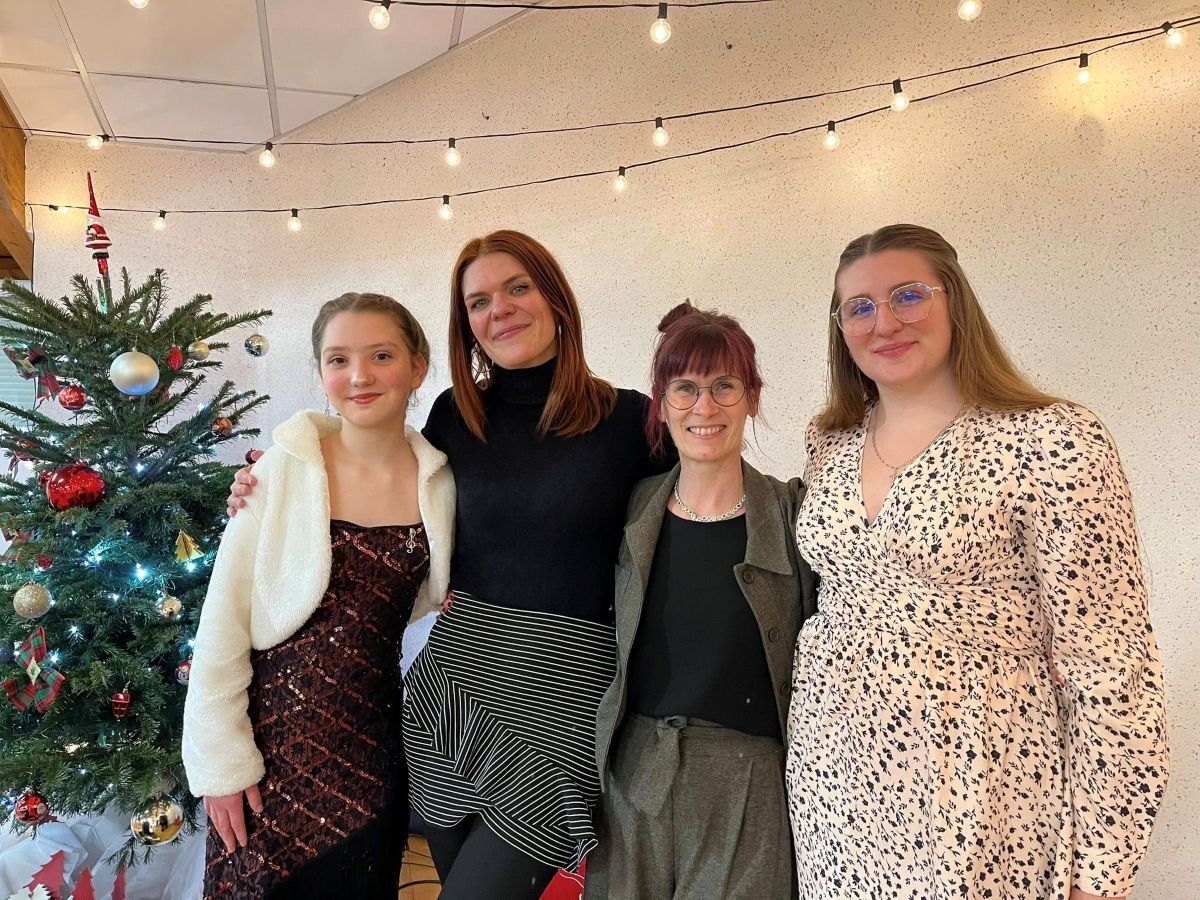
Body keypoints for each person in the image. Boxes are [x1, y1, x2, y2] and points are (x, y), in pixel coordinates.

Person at [228, 231, 671, 899]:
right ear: (465, 324)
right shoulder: (455, 416)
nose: (500, 310)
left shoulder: (630, 419)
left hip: (564, 692)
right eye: (478, 301)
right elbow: (372, 480)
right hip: (452, 687)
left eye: (518, 288)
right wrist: (276, 481)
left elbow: (703, 509)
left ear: (556, 299)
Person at [785, 224, 1169, 900]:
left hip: (984, 789)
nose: (885, 323)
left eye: (909, 295)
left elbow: (1112, 667)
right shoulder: (830, 442)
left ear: (955, 301)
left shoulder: (1052, 440)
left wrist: (1103, 870)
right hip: (833, 783)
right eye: (859, 307)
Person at [184, 293, 454, 900]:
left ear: (417, 367)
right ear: (322, 371)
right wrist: (221, 763)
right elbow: (223, 625)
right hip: (269, 756)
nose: (359, 376)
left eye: (381, 355)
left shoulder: (443, 484)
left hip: (373, 750)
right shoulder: (280, 473)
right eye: (338, 359)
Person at [585, 302, 818, 900]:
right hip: (635, 772)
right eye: (685, 388)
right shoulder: (632, 510)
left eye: (724, 386)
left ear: (752, 398)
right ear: (661, 404)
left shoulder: (795, 515)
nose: (705, 407)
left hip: (750, 783)